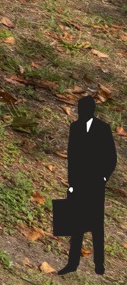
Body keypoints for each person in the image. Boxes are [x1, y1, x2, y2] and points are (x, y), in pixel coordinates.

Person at [64, 94, 116, 274]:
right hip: (78, 183)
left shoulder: (103, 128)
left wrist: (103, 178)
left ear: (91, 110)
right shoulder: (75, 127)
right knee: (76, 224)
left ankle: (99, 264)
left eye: (84, 109)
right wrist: (71, 183)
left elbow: (111, 157)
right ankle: (72, 263)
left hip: (95, 183)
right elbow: (72, 157)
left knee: (96, 225)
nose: (81, 112)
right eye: (79, 109)